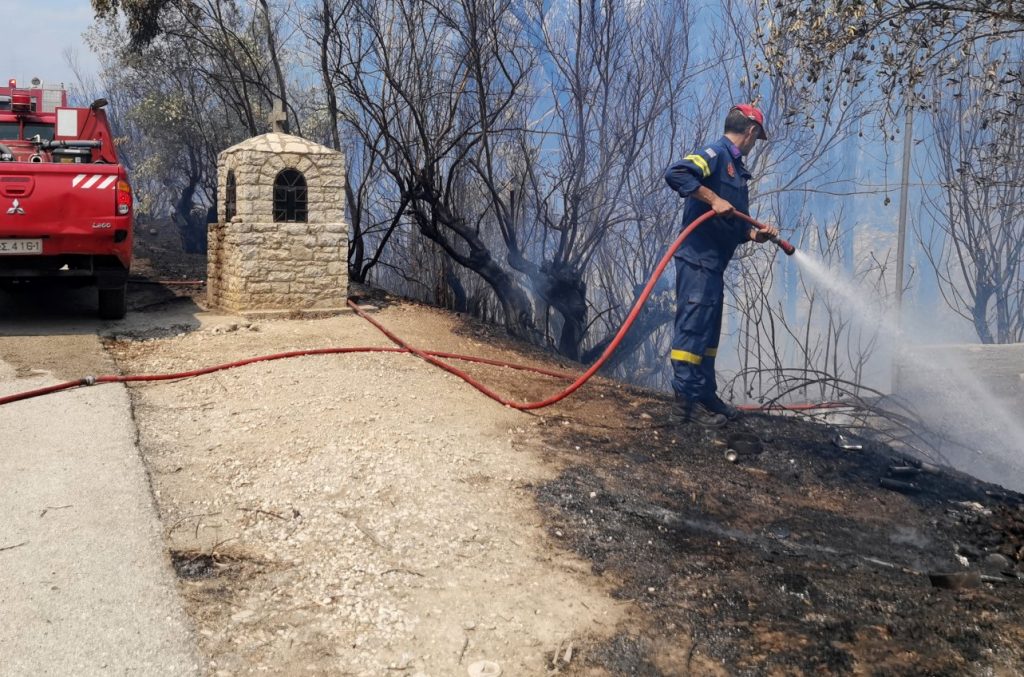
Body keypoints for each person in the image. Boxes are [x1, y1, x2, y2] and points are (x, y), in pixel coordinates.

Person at [664, 104, 780, 426]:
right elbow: (677, 173)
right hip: (697, 261)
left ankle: (705, 396)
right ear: (751, 131)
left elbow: (734, 224)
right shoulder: (715, 154)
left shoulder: (737, 171)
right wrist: (713, 199)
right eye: (757, 138)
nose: (756, 143)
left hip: (714, 265)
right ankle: (684, 407)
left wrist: (756, 235)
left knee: (708, 335)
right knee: (692, 332)